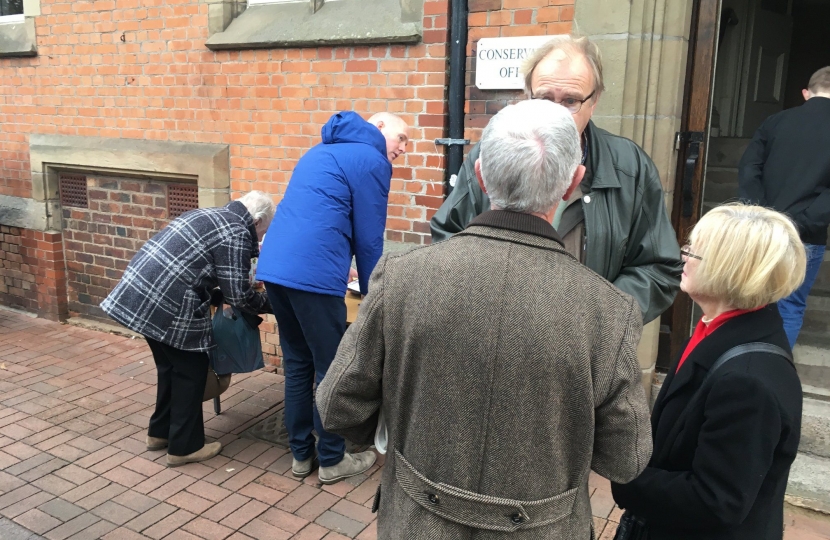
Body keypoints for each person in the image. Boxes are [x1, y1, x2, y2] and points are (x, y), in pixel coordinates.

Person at [317, 100, 652, 539]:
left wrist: (395, 429)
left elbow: (338, 404)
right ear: (573, 182)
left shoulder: (402, 276)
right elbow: (625, 458)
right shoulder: (610, 311)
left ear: (478, 176)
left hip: (417, 523)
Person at [430, 35, 681, 324]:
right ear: (528, 94)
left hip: (584, 351)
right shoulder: (491, 154)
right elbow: (448, 235)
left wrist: (595, 319)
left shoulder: (629, 167)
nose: (556, 113)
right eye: (545, 98)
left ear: (595, 100)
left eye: (571, 101)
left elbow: (657, 268)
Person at [611, 204, 805, 540]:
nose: (682, 258)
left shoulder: (747, 382)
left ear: (731, 270)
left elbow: (716, 500)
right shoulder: (717, 329)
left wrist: (627, 478)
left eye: (692, 252)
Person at [256, 111, 409, 484]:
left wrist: (341, 264)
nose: (404, 149)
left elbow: (318, 217)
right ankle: (331, 459)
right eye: (402, 138)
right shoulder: (372, 159)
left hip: (274, 268)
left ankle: (301, 456)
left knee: (297, 365)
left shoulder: (318, 151)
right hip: (313, 276)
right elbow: (369, 238)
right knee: (331, 367)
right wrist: (376, 297)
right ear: (379, 128)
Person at [101, 191, 275, 467]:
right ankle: (185, 447)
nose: (260, 239)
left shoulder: (207, 213)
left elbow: (197, 268)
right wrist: (275, 304)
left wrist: (217, 295)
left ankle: (160, 433)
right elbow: (240, 295)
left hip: (138, 293)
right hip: (167, 303)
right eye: (263, 232)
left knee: (170, 368)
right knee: (191, 372)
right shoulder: (237, 232)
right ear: (255, 221)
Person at [738, 66, 830, 347]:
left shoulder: (775, 121)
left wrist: (760, 213)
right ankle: (771, 369)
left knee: (749, 301)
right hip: (806, 235)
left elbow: (749, 168)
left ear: (806, 93)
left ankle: (742, 362)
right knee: (790, 308)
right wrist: (804, 221)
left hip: (761, 229)